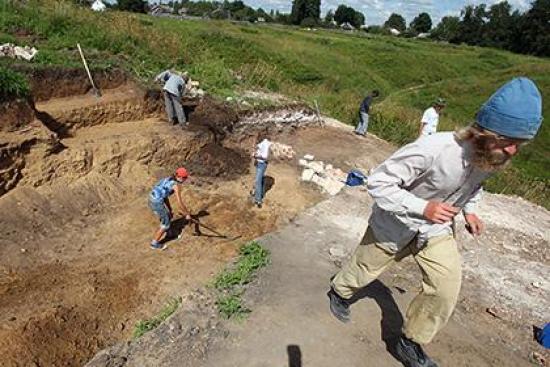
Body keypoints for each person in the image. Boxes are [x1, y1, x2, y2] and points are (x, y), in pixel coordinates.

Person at [328, 78, 543, 367]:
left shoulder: (491, 156)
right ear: (484, 133)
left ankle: (410, 341)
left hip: (435, 230)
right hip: (395, 222)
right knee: (365, 268)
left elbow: (474, 187)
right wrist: (423, 207)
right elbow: (378, 182)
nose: (513, 151)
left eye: (519, 145)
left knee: (446, 287)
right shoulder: (432, 149)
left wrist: (470, 212)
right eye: (508, 142)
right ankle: (339, 292)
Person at [149, 167, 192, 250]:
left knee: (168, 216)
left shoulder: (167, 179)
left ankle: (170, 233)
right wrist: (187, 214)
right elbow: (180, 202)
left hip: (151, 199)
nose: (185, 180)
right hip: (157, 203)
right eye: (185, 178)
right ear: (180, 177)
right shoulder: (176, 186)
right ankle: (154, 243)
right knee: (165, 224)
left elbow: (164, 195)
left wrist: (169, 208)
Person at [251, 134, 272, 208]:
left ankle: (258, 200)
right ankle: (260, 193)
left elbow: (265, 156)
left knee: (257, 181)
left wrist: (255, 156)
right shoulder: (263, 143)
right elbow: (260, 150)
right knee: (260, 179)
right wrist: (256, 151)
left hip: (262, 164)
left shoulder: (265, 144)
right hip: (259, 163)